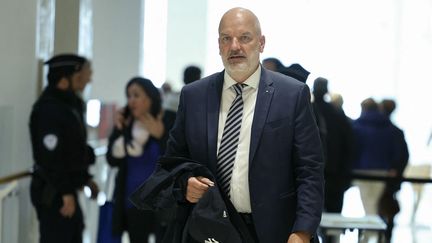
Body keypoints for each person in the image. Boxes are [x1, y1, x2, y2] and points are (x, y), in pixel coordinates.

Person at [164, 7, 324, 243]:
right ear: (219, 45)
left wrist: (302, 231)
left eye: (244, 38)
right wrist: (184, 184)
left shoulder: (292, 94)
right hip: (210, 229)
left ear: (261, 43)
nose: (235, 46)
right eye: (226, 39)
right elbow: (173, 162)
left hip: (274, 232)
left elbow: (309, 170)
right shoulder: (194, 96)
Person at [29, 53, 99, 243]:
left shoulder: (70, 105)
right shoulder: (49, 109)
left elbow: (73, 150)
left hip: (67, 189)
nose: (89, 78)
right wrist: (66, 192)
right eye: (86, 73)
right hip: (55, 193)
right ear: (69, 77)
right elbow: (50, 157)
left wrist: (85, 179)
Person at [106, 77, 166, 243]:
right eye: (129, 96)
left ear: (150, 97)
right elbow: (111, 160)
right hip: (134, 201)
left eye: (136, 95)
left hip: (163, 201)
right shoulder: (126, 122)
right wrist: (120, 130)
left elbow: (179, 156)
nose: (131, 100)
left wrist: (161, 135)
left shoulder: (167, 119)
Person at [312, 77, 354, 243]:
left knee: (309, 217)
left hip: (312, 175)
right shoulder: (338, 115)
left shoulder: (308, 110)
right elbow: (349, 146)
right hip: (335, 174)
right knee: (334, 217)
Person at [378, 98, 409, 242]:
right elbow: (404, 156)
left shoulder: (388, 131)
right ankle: (386, 238)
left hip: (385, 176)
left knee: (380, 210)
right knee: (387, 212)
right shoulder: (396, 131)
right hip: (390, 178)